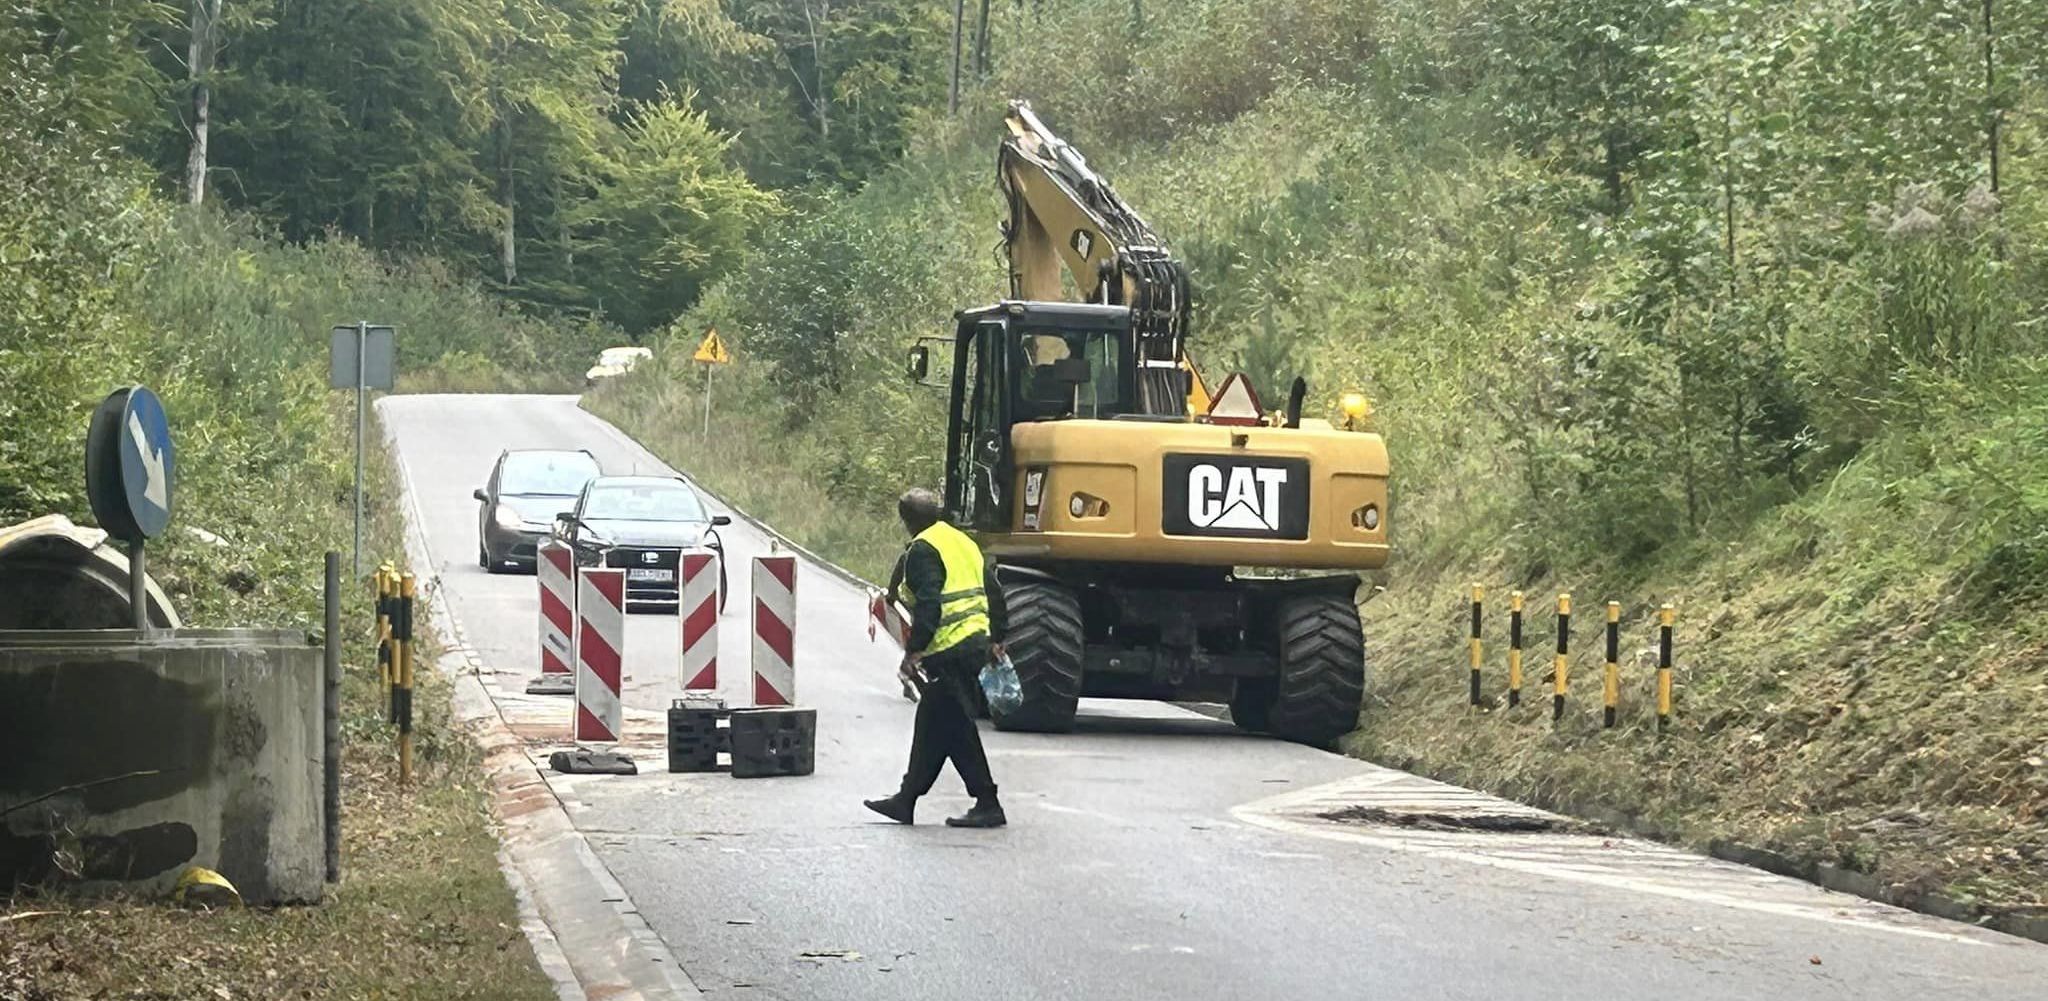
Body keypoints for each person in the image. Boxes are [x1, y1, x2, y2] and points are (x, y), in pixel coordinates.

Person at [864, 488, 1008, 828]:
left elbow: (930, 602)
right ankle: (906, 799)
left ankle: (987, 801)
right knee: (935, 723)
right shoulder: (963, 543)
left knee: (954, 727)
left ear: (907, 521)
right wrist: (998, 636)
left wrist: (915, 651)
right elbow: (995, 593)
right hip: (975, 645)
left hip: (948, 650)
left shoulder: (922, 550)